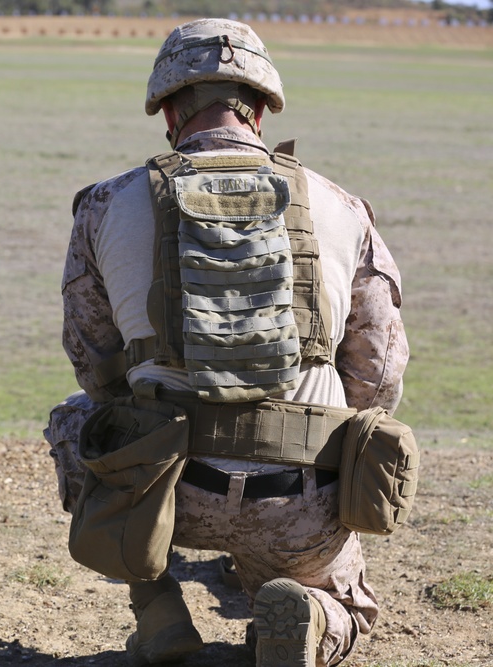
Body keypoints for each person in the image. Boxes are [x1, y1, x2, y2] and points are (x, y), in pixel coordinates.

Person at [44, 19, 409, 667]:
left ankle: (157, 610)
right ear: (263, 110)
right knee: (350, 600)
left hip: (162, 488)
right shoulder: (342, 206)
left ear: (167, 112)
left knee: (78, 417)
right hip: (301, 500)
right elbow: (378, 374)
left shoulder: (105, 204)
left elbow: (95, 361)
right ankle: (313, 611)